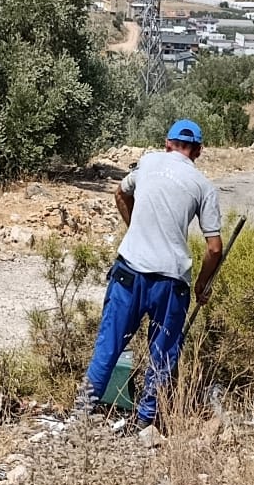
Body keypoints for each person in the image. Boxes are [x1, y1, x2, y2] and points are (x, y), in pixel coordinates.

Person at [82, 118, 225, 425]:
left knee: (109, 345)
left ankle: (82, 413)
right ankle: (146, 421)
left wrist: (136, 229)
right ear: (198, 151)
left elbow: (120, 194)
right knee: (163, 354)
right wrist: (202, 285)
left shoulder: (147, 164)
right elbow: (214, 248)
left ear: (167, 144)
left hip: (129, 273)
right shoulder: (203, 186)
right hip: (171, 284)